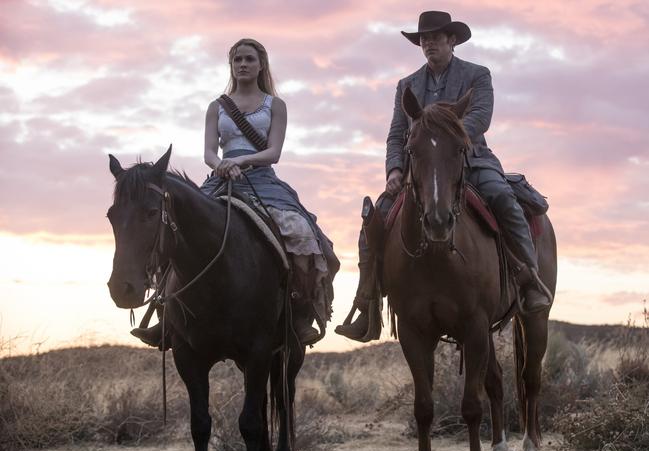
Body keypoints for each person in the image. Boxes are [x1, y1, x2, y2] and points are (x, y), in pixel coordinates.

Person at [335, 11, 551, 342]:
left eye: (435, 37)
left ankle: (528, 278)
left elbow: (480, 117)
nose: (428, 43)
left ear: (452, 40)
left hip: (471, 159)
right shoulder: (407, 85)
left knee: (503, 199)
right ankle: (367, 302)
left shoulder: (478, 75)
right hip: (419, 168)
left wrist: (445, 138)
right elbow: (396, 133)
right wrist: (394, 169)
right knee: (375, 218)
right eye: (423, 38)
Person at [132, 38, 339, 348]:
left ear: (261, 65)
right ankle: (165, 311)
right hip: (220, 179)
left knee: (305, 235)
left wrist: (240, 160)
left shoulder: (275, 105)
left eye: (249, 59)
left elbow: (274, 152)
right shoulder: (217, 106)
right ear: (231, 65)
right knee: (179, 227)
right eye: (237, 59)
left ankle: (300, 312)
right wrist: (222, 165)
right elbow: (208, 153)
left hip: (263, 180)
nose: (243, 64)